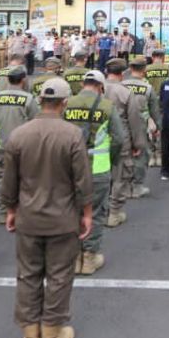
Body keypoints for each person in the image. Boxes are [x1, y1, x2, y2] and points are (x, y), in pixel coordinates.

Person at [0, 77, 93, 338]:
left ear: (40, 101)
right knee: (59, 276)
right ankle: (51, 335)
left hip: (28, 216)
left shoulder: (19, 134)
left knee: (28, 275)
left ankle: (31, 337)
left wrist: (11, 209)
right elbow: (82, 180)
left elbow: (9, 181)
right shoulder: (72, 134)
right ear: (64, 103)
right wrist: (87, 213)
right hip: (62, 218)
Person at [64, 70, 122, 274]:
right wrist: (111, 160)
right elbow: (118, 138)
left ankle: (72, 258)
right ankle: (89, 258)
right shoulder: (106, 106)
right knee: (96, 213)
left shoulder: (67, 103)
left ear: (82, 83)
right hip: (98, 168)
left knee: (71, 212)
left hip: (69, 168)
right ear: (101, 86)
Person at [0, 66, 38, 225]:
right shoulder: (28, 99)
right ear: (23, 80)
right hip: (24, 147)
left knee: (4, 179)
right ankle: (21, 212)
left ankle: (3, 212)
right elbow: (36, 124)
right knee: (25, 180)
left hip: (3, 144)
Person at [103, 58, 141, 227]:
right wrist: (137, 144)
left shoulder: (97, 89)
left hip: (98, 139)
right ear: (122, 74)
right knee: (119, 177)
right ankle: (114, 212)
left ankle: (100, 210)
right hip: (121, 138)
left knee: (100, 176)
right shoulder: (125, 92)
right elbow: (134, 120)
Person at [121, 58, 156, 198]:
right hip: (141, 122)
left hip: (123, 123)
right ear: (144, 70)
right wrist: (157, 126)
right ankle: (137, 186)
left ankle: (125, 186)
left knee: (124, 154)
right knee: (142, 154)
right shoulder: (147, 87)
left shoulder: (121, 85)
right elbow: (154, 109)